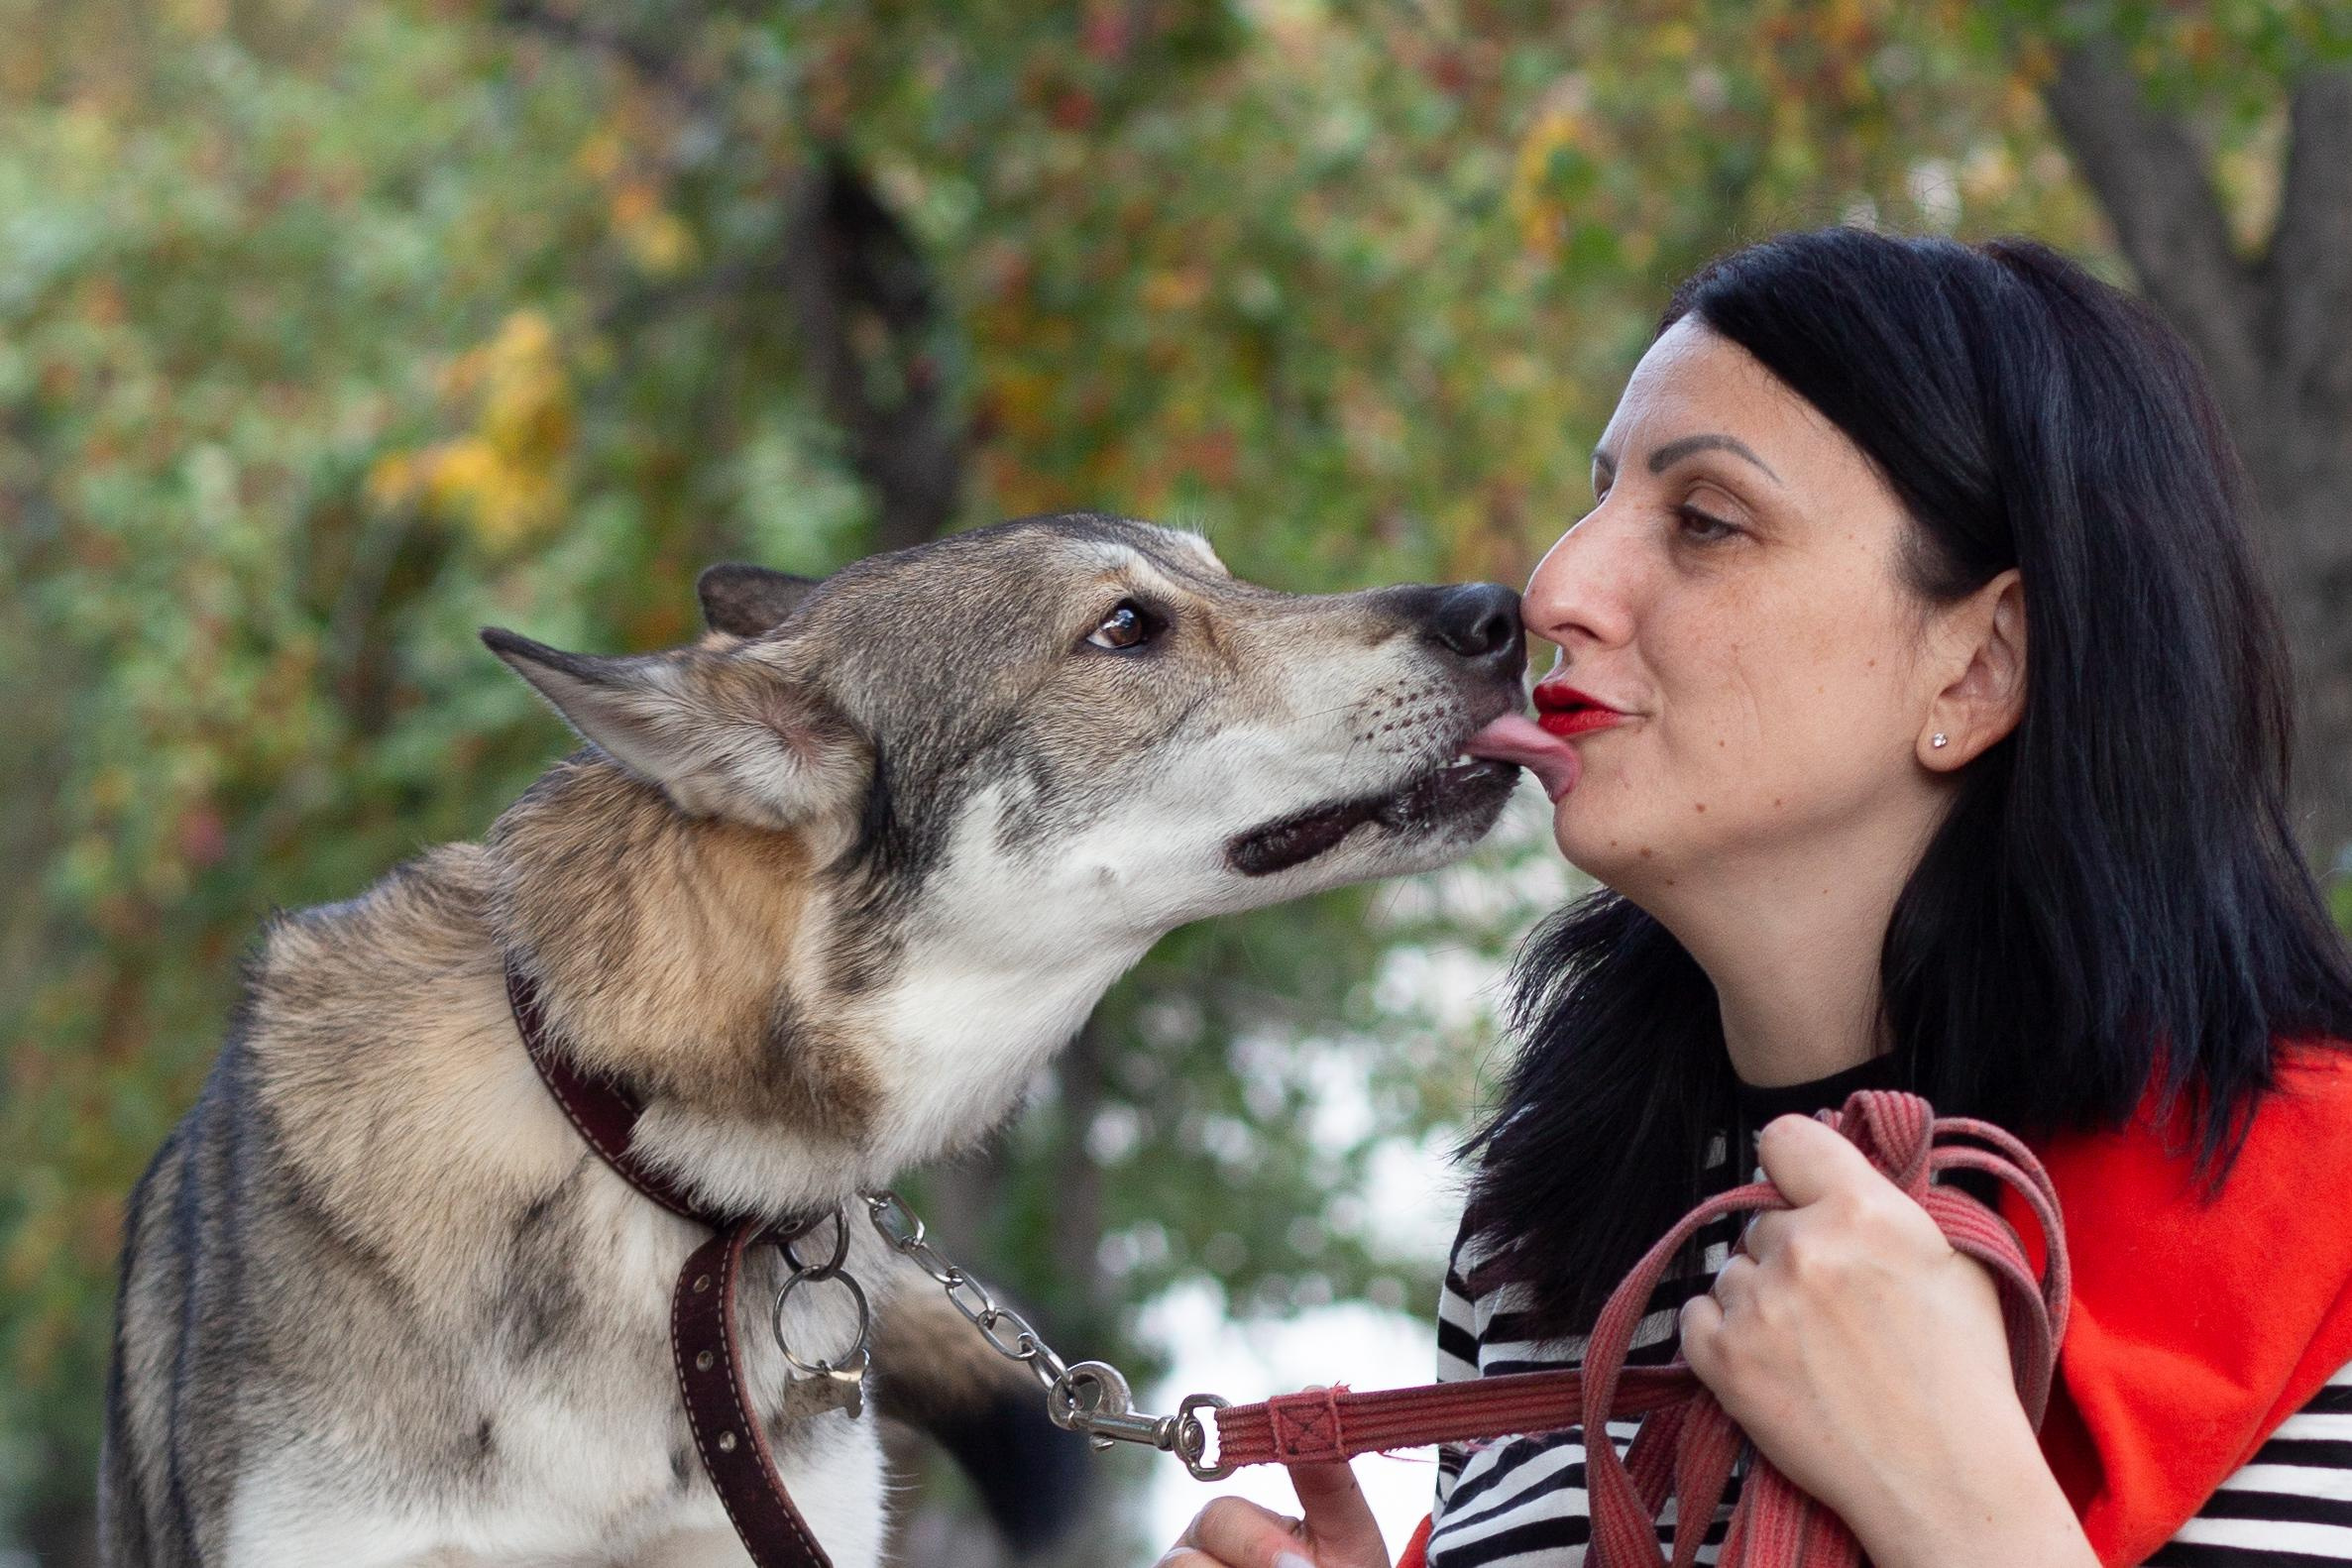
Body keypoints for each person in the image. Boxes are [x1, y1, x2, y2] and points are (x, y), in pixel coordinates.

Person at [1161, 228, 2352, 1568]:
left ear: (1974, 668)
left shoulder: (2328, 1209)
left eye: (1705, 520)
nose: (1556, 587)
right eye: (1597, 495)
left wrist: (1960, 1509)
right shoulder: (1537, 1247)